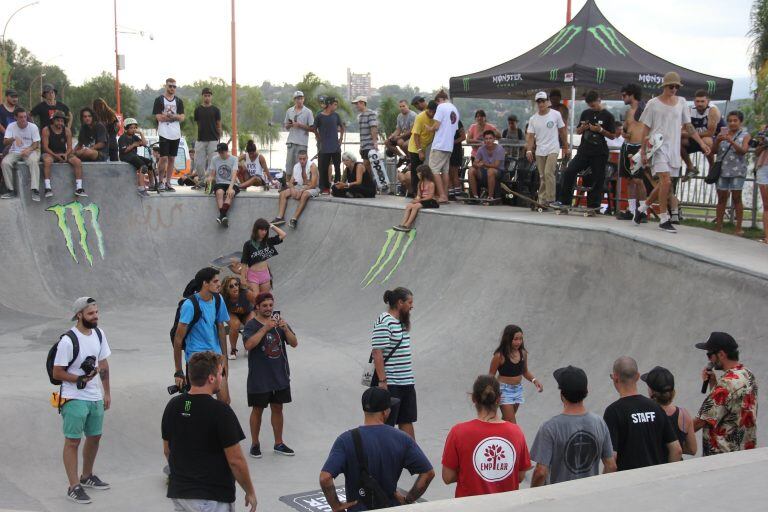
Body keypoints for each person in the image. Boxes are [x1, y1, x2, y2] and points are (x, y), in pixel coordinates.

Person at [162, 351, 257, 512]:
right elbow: (236, 460)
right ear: (211, 378)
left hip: (180, 495)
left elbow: (167, 450)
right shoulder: (221, 411)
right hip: (211, 498)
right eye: (221, 373)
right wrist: (250, 491)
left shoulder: (173, 405)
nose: (222, 378)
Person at [320, 387, 434, 511]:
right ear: (385, 412)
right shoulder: (402, 439)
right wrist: (408, 499)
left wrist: (336, 505)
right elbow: (428, 473)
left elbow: (325, 478)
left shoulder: (345, 440)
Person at [52, 297, 111, 504]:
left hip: (94, 396)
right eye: (91, 314)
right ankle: (73, 486)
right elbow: (57, 372)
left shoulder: (99, 334)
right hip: (73, 396)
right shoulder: (68, 340)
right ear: (79, 315)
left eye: (96, 312)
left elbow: (103, 364)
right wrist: (78, 379)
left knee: (95, 436)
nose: (95, 317)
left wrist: (107, 392)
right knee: (73, 441)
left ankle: (87, 476)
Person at [636, 72, 711, 232]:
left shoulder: (682, 102)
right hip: (658, 146)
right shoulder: (653, 103)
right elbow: (646, 128)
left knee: (665, 184)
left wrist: (701, 143)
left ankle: (643, 208)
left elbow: (689, 126)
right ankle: (664, 218)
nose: (674, 89)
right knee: (666, 181)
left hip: (674, 147)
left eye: (677, 86)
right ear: (664, 86)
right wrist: (643, 152)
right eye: (671, 86)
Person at [442, 375, 531, 497]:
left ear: (473, 398)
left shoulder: (458, 432)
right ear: (499, 399)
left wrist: (471, 472)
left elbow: (447, 477)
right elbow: (520, 475)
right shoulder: (516, 432)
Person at [530, 366, 616, 486]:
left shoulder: (550, 428)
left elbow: (540, 472)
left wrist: (533, 496)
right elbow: (611, 465)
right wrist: (599, 488)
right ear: (586, 391)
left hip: (561, 498)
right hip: (589, 496)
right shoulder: (599, 423)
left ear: (562, 394)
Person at [242, 293, 298, 458]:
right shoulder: (251, 325)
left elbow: (294, 343)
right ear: (257, 307)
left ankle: (278, 443)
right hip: (259, 378)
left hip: (279, 376)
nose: (268, 309)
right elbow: (248, 345)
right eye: (264, 305)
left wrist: (285, 328)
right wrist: (265, 328)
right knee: (257, 410)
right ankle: (255, 444)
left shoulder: (280, 323)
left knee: (278, 408)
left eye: (270, 305)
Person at [603, 356, 682, 470]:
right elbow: (677, 450)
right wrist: (666, 474)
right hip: (656, 481)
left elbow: (612, 460)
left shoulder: (613, 412)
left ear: (615, 378)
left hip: (629, 484)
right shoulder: (656, 407)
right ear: (638, 376)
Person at [172, 267, 231, 404]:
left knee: (224, 402)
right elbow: (178, 339)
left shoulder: (218, 299)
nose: (219, 284)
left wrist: (224, 358)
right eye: (215, 281)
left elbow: (221, 328)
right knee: (197, 404)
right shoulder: (189, 305)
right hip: (196, 360)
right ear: (205, 283)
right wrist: (179, 371)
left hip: (215, 357)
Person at [694, 332, 757, 455]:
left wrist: (670, 436)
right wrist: (714, 383)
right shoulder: (748, 374)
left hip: (722, 459)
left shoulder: (725, 385)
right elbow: (728, 407)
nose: (709, 359)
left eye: (709, 355)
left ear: (721, 354)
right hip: (745, 453)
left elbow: (700, 421)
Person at [554, 90, 616, 211]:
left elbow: (613, 135)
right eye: (590, 106)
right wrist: (583, 128)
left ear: (599, 100)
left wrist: (600, 130)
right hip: (584, 150)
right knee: (570, 170)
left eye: (594, 105)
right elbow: (578, 130)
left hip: (599, 152)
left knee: (597, 177)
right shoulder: (585, 113)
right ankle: (565, 201)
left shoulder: (608, 116)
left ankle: (593, 204)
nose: (592, 108)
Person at [370, 287, 417, 438]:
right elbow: (377, 352)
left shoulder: (401, 322)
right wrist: (383, 382)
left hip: (406, 382)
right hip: (391, 384)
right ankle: (385, 458)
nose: (412, 306)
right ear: (399, 302)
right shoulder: (385, 321)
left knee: (406, 420)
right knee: (386, 424)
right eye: (409, 302)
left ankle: (411, 459)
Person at [488, 324, 542, 423]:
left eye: (520, 339)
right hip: (503, 390)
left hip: (518, 390)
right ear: (508, 339)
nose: (518, 342)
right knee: (512, 422)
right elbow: (491, 376)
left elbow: (525, 372)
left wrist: (534, 380)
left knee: (507, 421)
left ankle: (497, 435)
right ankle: (512, 438)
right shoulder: (500, 356)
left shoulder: (523, 353)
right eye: (515, 339)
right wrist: (492, 393)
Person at [641, 366, 697, 456]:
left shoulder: (643, 415)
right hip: (675, 467)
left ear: (652, 391)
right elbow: (692, 449)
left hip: (652, 467)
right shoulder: (683, 414)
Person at [526, 91, 568, 206]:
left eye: (543, 101)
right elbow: (530, 136)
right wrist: (529, 150)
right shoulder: (533, 119)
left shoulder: (555, 114)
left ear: (547, 101)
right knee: (542, 176)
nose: (541, 104)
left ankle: (551, 200)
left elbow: (562, 131)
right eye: (538, 102)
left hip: (553, 148)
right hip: (540, 150)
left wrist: (566, 146)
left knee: (548, 173)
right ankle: (542, 200)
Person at [713, 111, 751, 235]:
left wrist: (731, 141)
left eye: (735, 120)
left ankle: (738, 227)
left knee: (736, 198)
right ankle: (719, 226)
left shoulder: (745, 135)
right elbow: (713, 151)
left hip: (737, 170)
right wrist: (718, 141)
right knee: (722, 198)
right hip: (723, 170)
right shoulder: (722, 134)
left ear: (740, 122)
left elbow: (743, 151)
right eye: (730, 121)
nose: (732, 123)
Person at [617, 84, 648, 222]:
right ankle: (631, 209)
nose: (622, 98)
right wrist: (624, 133)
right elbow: (625, 129)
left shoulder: (645, 109)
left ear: (631, 95)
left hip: (638, 147)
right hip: (627, 146)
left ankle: (642, 211)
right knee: (629, 180)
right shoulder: (628, 112)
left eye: (624, 95)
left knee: (638, 180)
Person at [1, 107, 43, 200]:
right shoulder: (11, 126)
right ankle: (10, 190)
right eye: (21, 117)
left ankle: (35, 190)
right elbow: (5, 142)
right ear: (16, 118)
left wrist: (29, 149)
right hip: (15, 151)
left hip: (31, 150)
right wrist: (13, 138)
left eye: (25, 117)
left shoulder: (33, 127)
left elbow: (36, 144)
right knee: (5, 163)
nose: (24, 119)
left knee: (33, 162)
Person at [41, 110, 83, 199]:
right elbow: (45, 147)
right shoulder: (46, 130)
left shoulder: (67, 131)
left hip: (63, 153)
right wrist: (56, 156)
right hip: (50, 153)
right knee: (47, 161)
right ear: (53, 120)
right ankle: (47, 188)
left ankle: (79, 187)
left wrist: (65, 155)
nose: (60, 123)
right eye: (58, 120)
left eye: (62, 121)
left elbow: (70, 147)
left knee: (77, 161)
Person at [272, 150, 319, 229]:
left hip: (313, 188)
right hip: (300, 186)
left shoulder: (312, 166)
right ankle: (280, 218)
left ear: (307, 158)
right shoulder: (296, 166)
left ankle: (294, 219)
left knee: (304, 195)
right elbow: (291, 182)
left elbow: (313, 184)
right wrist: (292, 189)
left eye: (304, 159)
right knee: (282, 194)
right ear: (298, 158)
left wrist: (302, 190)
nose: (302, 161)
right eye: (300, 159)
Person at [153, 78, 185, 192]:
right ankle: (160, 181)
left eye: (174, 86)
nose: (172, 88)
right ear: (166, 86)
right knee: (163, 157)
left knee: (172, 158)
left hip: (175, 133)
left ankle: (168, 182)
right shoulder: (159, 100)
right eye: (170, 86)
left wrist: (171, 116)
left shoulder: (179, 101)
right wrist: (174, 117)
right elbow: (159, 117)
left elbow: (182, 117)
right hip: (164, 132)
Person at [240, 218, 287, 294]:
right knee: (256, 298)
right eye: (261, 230)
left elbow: (283, 234)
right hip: (253, 275)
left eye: (265, 230)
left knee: (264, 298)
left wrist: (271, 225)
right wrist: (242, 278)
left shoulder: (268, 241)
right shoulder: (248, 244)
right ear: (256, 230)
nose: (264, 232)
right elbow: (244, 261)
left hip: (265, 274)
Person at [681, 89, 722, 176]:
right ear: (694, 102)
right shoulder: (690, 110)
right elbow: (683, 129)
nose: (700, 104)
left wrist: (691, 134)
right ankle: (690, 167)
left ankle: (712, 165)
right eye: (697, 101)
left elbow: (710, 133)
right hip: (698, 139)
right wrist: (686, 134)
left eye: (702, 101)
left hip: (715, 140)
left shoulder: (712, 110)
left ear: (708, 101)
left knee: (706, 140)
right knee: (679, 142)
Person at [427, 90, 458, 203]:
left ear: (440, 100)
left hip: (439, 144)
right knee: (445, 171)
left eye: (437, 103)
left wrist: (430, 128)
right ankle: (445, 195)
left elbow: (436, 126)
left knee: (434, 170)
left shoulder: (441, 107)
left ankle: (442, 196)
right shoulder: (455, 110)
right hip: (449, 145)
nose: (437, 106)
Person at [313, 96, 345, 193]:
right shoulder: (319, 116)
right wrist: (318, 137)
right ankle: (324, 188)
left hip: (335, 147)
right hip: (324, 148)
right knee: (323, 169)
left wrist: (341, 138)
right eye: (334, 104)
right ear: (329, 104)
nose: (336, 106)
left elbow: (342, 127)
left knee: (337, 168)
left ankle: (337, 187)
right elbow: (314, 128)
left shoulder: (336, 115)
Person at [405, 101, 437, 196]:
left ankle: (426, 191)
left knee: (426, 170)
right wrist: (419, 151)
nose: (433, 114)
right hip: (415, 147)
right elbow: (415, 135)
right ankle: (415, 192)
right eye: (431, 112)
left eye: (434, 112)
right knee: (416, 171)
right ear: (428, 110)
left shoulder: (436, 117)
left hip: (426, 146)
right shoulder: (420, 117)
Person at [117, 117, 153, 197]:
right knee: (143, 166)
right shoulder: (122, 138)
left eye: (134, 128)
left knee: (149, 163)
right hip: (126, 156)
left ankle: (152, 185)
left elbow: (144, 143)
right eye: (131, 128)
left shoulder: (134, 137)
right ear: (126, 128)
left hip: (133, 155)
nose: (133, 130)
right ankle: (141, 188)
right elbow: (124, 151)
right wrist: (133, 145)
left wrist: (141, 133)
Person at [396, 164, 438, 231]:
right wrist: (416, 199)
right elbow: (418, 195)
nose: (417, 174)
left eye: (419, 173)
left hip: (431, 201)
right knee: (409, 206)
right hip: (422, 200)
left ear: (424, 173)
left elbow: (430, 196)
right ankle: (402, 224)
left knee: (416, 206)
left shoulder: (431, 184)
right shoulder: (420, 183)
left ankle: (407, 225)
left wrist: (419, 201)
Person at [220, 276, 254, 360]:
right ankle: (233, 350)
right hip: (231, 313)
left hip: (247, 312)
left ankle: (248, 345)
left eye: (236, 284)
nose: (235, 287)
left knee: (251, 323)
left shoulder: (246, 293)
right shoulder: (222, 297)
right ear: (226, 289)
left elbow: (258, 304)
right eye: (231, 286)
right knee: (235, 324)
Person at [207, 142, 239, 227]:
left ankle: (221, 216)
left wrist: (230, 188)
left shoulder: (234, 159)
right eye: (219, 152)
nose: (220, 154)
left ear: (226, 151)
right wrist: (210, 178)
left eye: (222, 152)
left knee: (230, 193)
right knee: (219, 193)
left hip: (231, 182)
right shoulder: (214, 159)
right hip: (220, 183)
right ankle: (223, 217)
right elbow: (213, 174)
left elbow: (234, 175)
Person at [468, 130, 506, 201]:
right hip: (484, 171)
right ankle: (475, 196)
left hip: (498, 172)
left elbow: (496, 165)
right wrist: (477, 165)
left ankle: (490, 196)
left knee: (490, 171)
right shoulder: (481, 149)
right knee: (471, 170)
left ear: (494, 139)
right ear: (484, 140)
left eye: (490, 138)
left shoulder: (500, 149)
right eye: (486, 138)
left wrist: (484, 164)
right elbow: (475, 163)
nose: (488, 140)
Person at [284, 90, 314, 178]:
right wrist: (289, 125)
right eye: (297, 98)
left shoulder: (308, 112)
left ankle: (302, 184)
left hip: (302, 143)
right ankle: (288, 185)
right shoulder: (289, 111)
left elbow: (312, 128)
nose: (299, 100)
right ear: (294, 100)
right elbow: (285, 126)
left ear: (303, 99)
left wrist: (300, 125)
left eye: (300, 98)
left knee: (302, 166)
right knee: (289, 166)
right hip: (291, 142)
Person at [193, 87, 222, 178]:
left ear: (211, 97)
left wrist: (219, 134)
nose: (207, 98)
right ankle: (202, 180)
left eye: (209, 96)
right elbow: (198, 123)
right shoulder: (197, 110)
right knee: (198, 162)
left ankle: (209, 181)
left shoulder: (216, 110)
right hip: (201, 139)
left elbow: (218, 124)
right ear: (202, 96)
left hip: (213, 139)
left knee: (212, 162)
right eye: (205, 96)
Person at [354, 96, 379, 163]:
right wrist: (361, 146)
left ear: (362, 103)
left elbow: (373, 128)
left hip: (370, 145)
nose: (356, 106)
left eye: (357, 103)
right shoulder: (360, 115)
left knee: (369, 164)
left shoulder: (370, 113)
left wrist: (375, 143)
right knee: (366, 164)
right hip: (364, 145)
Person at [755, 127, 768, 243]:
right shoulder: (764, 131)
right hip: (763, 167)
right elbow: (756, 152)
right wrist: (763, 144)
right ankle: (767, 236)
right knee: (766, 204)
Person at [448, 119, 466, 199]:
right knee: (449, 172)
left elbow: (463, 137)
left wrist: (452, 142)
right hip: (449, 149)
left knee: (453, 172)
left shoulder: (457, 122)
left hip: (455, 150)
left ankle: (454, 193)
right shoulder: (446, 121)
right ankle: (453, 193)